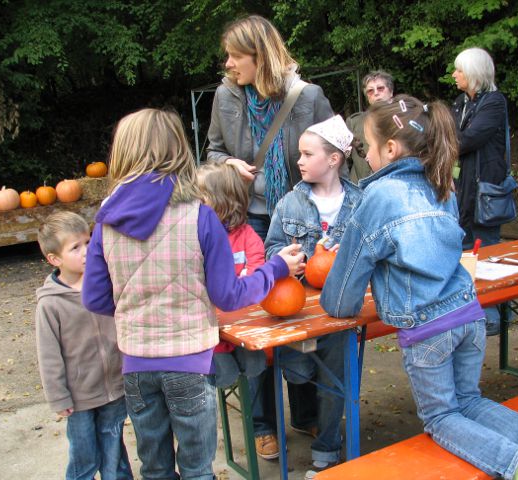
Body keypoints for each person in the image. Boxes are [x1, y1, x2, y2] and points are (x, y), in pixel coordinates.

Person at [320, 95, 518, 480]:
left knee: (441, 417)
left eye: (366, 148)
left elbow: (340, 300)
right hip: (469, 316)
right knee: (470, 402)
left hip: (428, 331)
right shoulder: (441, 182)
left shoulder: (378, 196)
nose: (366, 157)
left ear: (389, 148)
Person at [81, 108, 305, 480]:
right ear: (178, 150)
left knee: (154, 468)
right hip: (189, 361)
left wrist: (135, 307)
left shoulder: (106, 220)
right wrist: (276, 268)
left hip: (136, 362)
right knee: (198, 469)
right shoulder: (200, 216)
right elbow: (229, 296)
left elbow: (95, 299)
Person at [206, 14, 332, 459]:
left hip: (298, 218)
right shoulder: (225, 96)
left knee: (297, 318)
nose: (228, 63)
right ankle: (263, 424)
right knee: (254, 322)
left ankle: (305, 411)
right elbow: (214, 151)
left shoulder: (308, 96)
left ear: (259, 56)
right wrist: (227, 166)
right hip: (249, 220)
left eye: (235, 55)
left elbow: (336, 150)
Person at [265, 115, 362, 478]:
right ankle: (308, 421)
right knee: (299, 372)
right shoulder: (291, 202)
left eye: (307, 154)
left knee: (335, 375)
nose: (299, 161)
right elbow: (272, 246)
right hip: (296, 305)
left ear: (334, 159)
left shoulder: (359, 201)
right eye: (299, 155)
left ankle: (327, 451)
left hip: (340, 306)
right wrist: (292, 259)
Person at [35, 211, 133, 480]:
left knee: (114, 450)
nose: (86, 251)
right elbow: (49, 355)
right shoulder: (51, 303)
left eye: (88, 242)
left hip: (114, 386)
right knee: (85, 455)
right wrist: (58, 396)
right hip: (78, 397)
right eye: (75, 247)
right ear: (54, 259)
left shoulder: (106, 283)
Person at [451, 47, 508, 335]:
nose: (454, 75)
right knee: (463, 256)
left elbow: (468, 139)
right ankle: (467, 314)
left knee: (485, 255)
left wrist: (445, 143)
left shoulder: (494, 103)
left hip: (485, 196)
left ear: (473, 73)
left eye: (459, 70)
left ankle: (491, 317)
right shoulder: (460, 103)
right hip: (462, 195)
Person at [197, 162, 267, 389]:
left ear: (223, 202)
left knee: (257, 365)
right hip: (211, 329)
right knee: (225, 375)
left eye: (201, 199)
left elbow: (256, 273)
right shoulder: (195, 237)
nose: (193, 206)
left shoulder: (247, 236)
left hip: (243, 322)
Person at [345, 70, 395, 183]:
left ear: (391, 91)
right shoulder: (354, 122)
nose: (376, 93)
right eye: (370, 91)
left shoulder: (403, 120)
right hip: (361, 190)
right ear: (367, 97)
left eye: (380, 88)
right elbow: (344, 162)